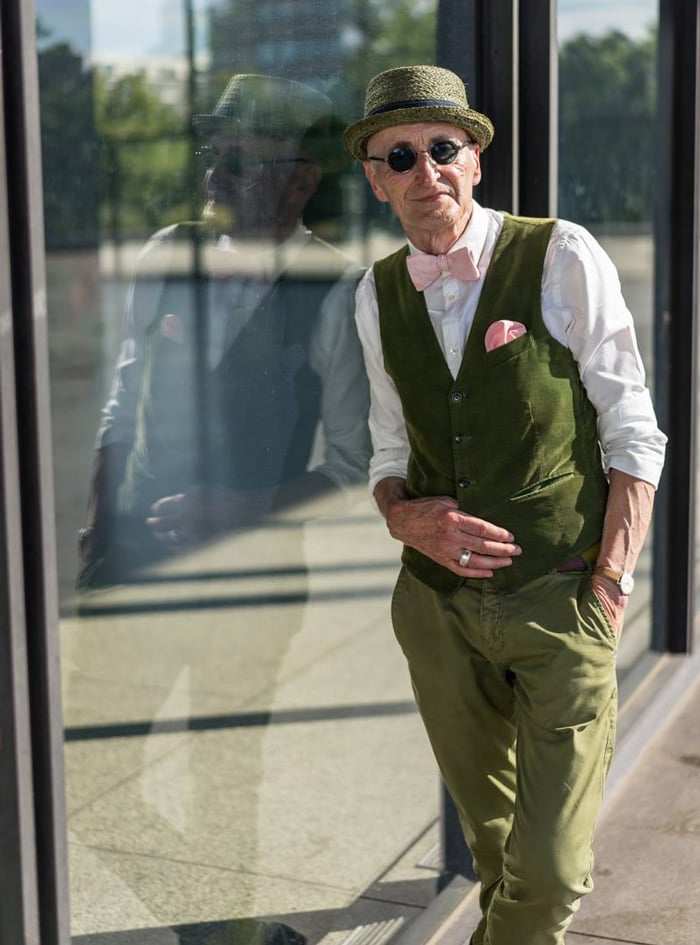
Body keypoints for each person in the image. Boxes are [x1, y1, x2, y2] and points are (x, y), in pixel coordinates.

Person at [342, 64, 666, 945]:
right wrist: (399, 513)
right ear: (376, 178)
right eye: (398, 156)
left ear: (476, 158)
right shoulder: (374, 293)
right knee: (497, 856)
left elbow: (633, 427)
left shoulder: (559, 253)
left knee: (551, 870)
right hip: (439, 614)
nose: (425, 172)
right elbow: (386, 445)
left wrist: (610, 581)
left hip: (561, 596)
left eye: (442, 149)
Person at [77, 73, 370, 586]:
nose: (214, 177)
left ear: (301, 182)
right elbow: (123, 405)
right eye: (212, 158)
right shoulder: (166, 250)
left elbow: (352, 468)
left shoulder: (340, 290)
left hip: (252, 582)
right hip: (128, 565)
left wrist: (245, 508)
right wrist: (98, 528)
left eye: (239, 163)